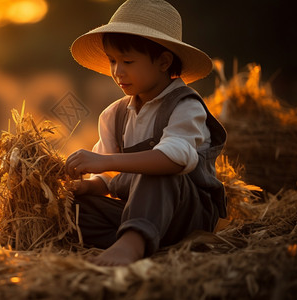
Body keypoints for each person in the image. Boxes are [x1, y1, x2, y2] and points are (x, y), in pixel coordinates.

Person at [65, 0, 227, 266]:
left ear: (163, 61)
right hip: (135, 212)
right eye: (113, 61)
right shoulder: (113, 115)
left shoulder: (185, 105)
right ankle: (138, 236)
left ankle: (131, 243)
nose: (118, 71)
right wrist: (86, 186)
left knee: (160, 167)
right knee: (73, 210)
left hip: (186, 216)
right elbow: (107, 181)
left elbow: (174, 158)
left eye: (127, 61)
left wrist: (105, 161)